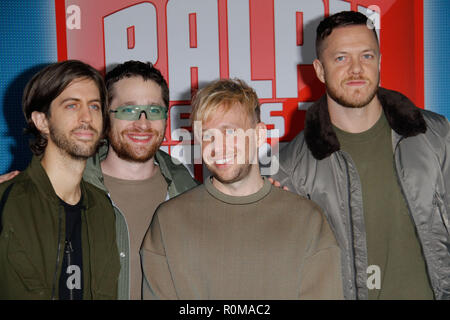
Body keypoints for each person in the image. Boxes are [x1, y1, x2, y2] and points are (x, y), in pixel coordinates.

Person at [272, 11, 450, 300]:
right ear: (319, 69)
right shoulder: (291, 167)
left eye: (366, 56)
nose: (356, 69)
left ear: (380, 61)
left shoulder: (437, 136)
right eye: (341, 58)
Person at [140, 78, 343, 299]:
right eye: (207, 136)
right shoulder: (169, 221)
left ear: (259, 135)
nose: (218, 146)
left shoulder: (307, 221)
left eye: (229, 132)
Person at [0, 60, 120, 299]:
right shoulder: (6, 201)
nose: (87, 117)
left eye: (95, 106)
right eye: (71, 106)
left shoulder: (103, 209)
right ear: (42, 121)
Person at [82, 61, 198, 300]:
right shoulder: (67, 189)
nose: (143, 123)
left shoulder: (189, 193)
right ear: (105, 116)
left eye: (154, 110)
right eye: (128, 110)